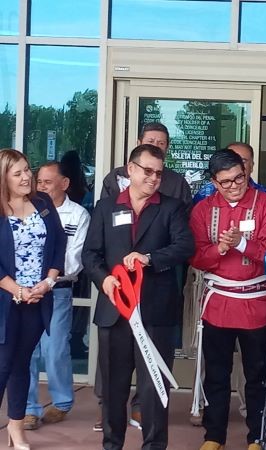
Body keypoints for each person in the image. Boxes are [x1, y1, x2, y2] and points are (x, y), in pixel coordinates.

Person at [82, 144, 194, 450]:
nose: (154, 178)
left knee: (153, 390)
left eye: (159, 173)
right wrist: (103, 279)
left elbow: (185, 246)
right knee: (114, 390)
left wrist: (149, 258)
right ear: (130, 169)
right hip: (114, 311)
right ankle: (111, 444)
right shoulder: (106, 208)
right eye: (147, 171)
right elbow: (90, 254)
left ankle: (154, 446)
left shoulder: (170, 208)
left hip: (154, 313)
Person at [190, 149, 266, 450]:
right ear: (214, 183)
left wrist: (240, 243)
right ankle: (213, 436)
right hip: (218, 303)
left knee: (256, 375)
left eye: (238, 178)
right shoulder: (203, 210)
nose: (234, 186)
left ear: (246, 171)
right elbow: (196, 257)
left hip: (256, 302)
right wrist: (220, 249)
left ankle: (257, 436)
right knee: (216, 374)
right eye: (225, 182)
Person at [0, 149, 67, 450]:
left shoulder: (42, 203)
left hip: (38, 299)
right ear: (4, 179)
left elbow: (59, 242)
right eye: (18, 173)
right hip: (6, 303)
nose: (27, 176)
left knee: (21, 365)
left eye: (28, 169)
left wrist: (49, 280)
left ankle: (16, 431)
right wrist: (18, 290)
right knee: (2, 365)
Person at [24, 161, 91, 430]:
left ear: (64, 184)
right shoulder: (28, 209)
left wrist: (47, 277)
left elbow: (74, 261)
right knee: (27, 350)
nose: (40, 187)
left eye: (47, 182)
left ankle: (62, 402)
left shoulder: (78, 215)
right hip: (26, 291)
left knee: (55, 350)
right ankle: (28, 409)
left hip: (58, 290)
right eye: (38, 182)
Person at [101, 122, 192, 207]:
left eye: (161, 143)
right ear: (139, 143)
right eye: (150, 141)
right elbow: (104, 212)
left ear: (167, 148)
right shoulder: (115, 177)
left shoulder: (178, 183)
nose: (155, 146)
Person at [193, 142, 266, 204]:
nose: (236, 164)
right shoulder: (205, 193)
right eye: (230, 160)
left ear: (251, 166)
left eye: (243, 161)